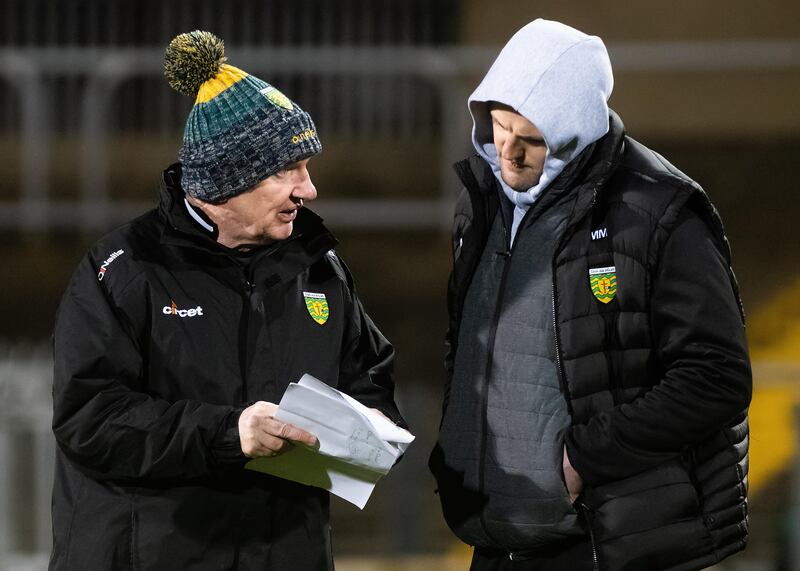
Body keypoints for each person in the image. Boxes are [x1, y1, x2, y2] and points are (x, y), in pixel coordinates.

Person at [50, 31, 405, 571]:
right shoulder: (124, 270)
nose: (307, 190)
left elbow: (369, 379)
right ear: (225, 184)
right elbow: (90, 419)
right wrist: (228, 434)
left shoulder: (318, 268)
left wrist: (361, 433)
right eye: (287, 170)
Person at [429, 19, 751, 571]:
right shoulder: (480, 203)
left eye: (531, 138)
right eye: (499, 127)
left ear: (576, 127)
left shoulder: (659, 212)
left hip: (612, 544)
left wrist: (585, 457)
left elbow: (715, 377)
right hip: (498, 538)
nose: (508, 153)